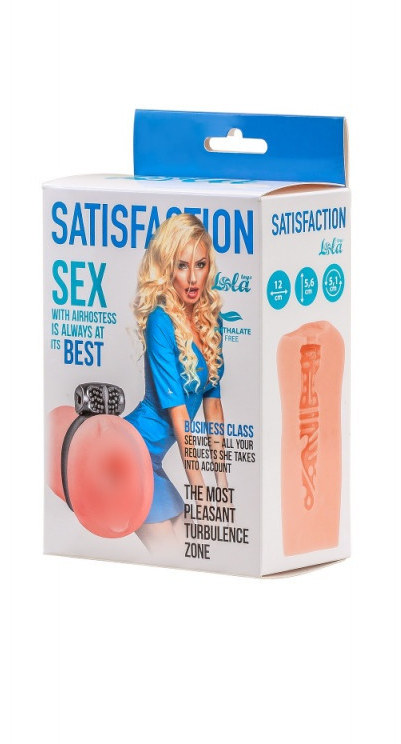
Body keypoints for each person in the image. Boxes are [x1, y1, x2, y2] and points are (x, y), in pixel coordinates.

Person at [125, 213, 226, 554]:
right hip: (131, 452)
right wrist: (201, 492)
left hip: (152, 462)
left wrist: (222, 485)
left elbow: (213, 406)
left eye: (201, 265)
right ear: (169, 267)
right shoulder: (160, 322)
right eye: (182, 266)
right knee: (172, 555)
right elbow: (180, 417)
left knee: (185, 552)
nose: (193, 277)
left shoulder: (211, 321)